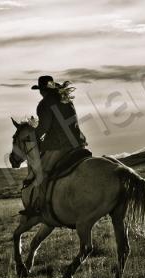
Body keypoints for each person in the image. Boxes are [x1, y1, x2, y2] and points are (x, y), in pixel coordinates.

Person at [30, 75, 87, 214]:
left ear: (42, 91)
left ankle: (42, 207)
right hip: (79, 143)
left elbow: (44, 127)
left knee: (41, 174)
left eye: (40, 90)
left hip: (60, 145)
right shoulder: (66, 100)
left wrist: (34, 136)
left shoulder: (44, 104)